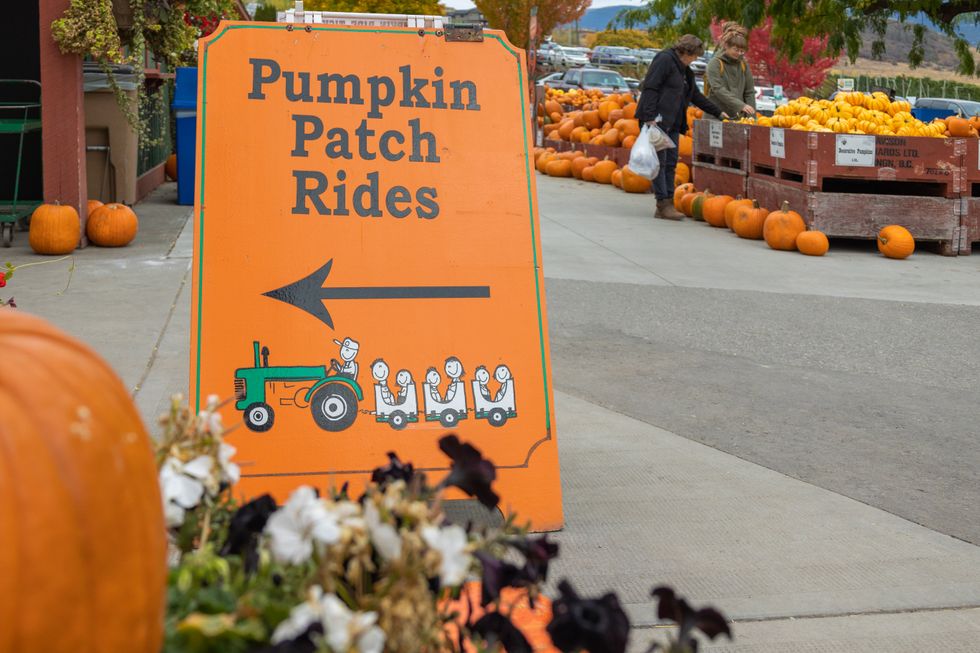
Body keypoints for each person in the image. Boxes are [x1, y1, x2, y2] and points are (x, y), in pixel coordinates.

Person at [636, 34, 727, 220]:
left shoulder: (686, 71)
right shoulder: (664, 60)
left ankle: (667, 202)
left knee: (670, 163)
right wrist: (650, 116)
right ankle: (663, 203)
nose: (695, 60)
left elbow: (695, 96)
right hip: (657, 120)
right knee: (659, 163)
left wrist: (718, 112)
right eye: (694, 56)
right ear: (685, 51)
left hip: (673, 123)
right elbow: (651, 87)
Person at [705, 23, 756, 121]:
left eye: (742, 51)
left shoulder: (743, 64)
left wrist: (751, 117)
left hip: (738, 118)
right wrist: (740, 105)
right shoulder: (715, 63)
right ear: (726, 46)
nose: (739, 54)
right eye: (736, 50)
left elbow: (749, 92)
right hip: (716, 117)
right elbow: (718, 89)